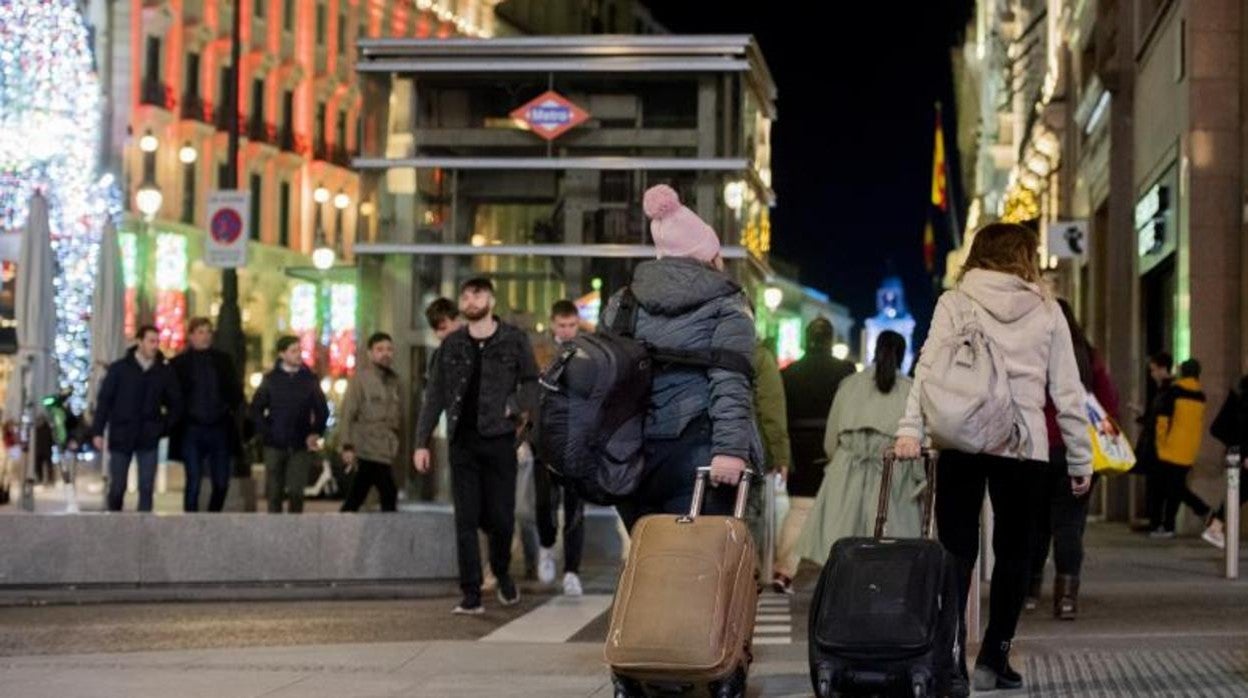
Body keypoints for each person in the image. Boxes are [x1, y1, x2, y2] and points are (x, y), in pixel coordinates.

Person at [894, 222, 1092, 693]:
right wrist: (1080, 459)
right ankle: (994, 657)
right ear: (1025, 255)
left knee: (956, 551)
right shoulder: (1046, 308)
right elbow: (1066, 390)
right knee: (1015, 553)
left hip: (961, 436)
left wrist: (909, 429)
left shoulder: (955, 300)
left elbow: (926, 369)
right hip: (1023, 445)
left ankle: (951, 661)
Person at [600, 184, 760, 532]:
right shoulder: (727, 303)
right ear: (706, 253)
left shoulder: (622, 303)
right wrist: (731, 450)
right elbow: (730, 378)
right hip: (702, 456)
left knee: (651, 566)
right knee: (696, 567)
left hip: (633, 458)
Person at [413, 278, 539, 615]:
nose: (471, 300)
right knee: (465, 519)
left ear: (491, 300)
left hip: (499, 439)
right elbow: (435, 395)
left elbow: (531, 382)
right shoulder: (451, 344)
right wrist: (421, 442)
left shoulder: (514, 339)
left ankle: (501, 572)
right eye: (466, 295)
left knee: (501, 517)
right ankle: (470, 593)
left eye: (478, 294)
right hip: (462, 443)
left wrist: (513, 406)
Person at [1026, 299, 1119, 620]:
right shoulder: (1087, 356)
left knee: (1036, 524)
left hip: (1038, 449)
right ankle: (1066, 598)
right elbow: (1108, 402)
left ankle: (1030, 590)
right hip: (1076, 449)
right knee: (1069, 526)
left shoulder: (1034, 353)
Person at [797, 331, 920, 563]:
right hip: (892, 476)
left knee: (842, 549)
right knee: (890, 553)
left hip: (846, 471)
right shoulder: (910, 390)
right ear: (902, 355)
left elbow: (830, 441)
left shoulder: (849, 384)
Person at [773, 317, 855, 594]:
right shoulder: (845, 370)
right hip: (835, 446)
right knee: (838, 511)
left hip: (799, 446)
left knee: (798, 511)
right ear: (830, 340)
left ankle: (784, 572)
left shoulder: (790, 373)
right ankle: (838, 573)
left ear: (805, 339)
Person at [91, 325, 184, 512]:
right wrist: (98, 431)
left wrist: (163, 427)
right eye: (151, 341)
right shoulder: (120, 369)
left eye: (157, 342)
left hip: (149, 435)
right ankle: (115, 520)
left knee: (147, 487)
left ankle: (144, 530)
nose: (155, 346)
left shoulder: (163, 371)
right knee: (117, 487)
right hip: (122, 433)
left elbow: (176, 402)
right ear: (139, 342)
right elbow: (105, 401)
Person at [531, 299, 588, 596]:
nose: (567, 331)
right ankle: (546, 546)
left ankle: (572, 571)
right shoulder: (539, 351)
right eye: (562, 325)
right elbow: (530, 391)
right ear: (553, 324)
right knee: (544, 503)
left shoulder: (589, 353)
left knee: (575, 508)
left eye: (572, 325)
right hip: (545, 439)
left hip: (577, 441)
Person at [169, 317, 243, 512]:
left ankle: (212, 518)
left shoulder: (223, 361)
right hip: (191, 428)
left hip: (219, 427)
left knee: (221, 482)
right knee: (193, 480)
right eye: (200, 332)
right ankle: (191, 523)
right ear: (191, 336)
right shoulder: (179, 364)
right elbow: (172, 396)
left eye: (208, 332)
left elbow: (235, 392)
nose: (205, 336)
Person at [249, 336, 329, 514]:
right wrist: (266, 432)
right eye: (293, 351)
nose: (298, 354)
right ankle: (275, 529)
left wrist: (315, 432)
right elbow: (256, 409)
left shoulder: (309, 379)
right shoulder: (271, 380)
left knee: (296, 491)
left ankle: (295, 529)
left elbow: (322, 410)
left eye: (299, 350)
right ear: (282, 354)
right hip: (274, 443)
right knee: (274, 492)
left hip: (301, 443)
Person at [339, 332, 403, 512]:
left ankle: (340, 525)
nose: (386, 353)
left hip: (386, 447)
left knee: (358, 495)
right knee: (388, 492)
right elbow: (348, 414)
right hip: (366, 446)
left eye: (389, 349)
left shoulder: (395, 381)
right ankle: (388, 533)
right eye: (380, 349)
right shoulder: (360, 380)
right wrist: (347, 446)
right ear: (370, 353)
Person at [1146, 359, 1209, 538]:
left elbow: (1163, 421)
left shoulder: (1174, 391)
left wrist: (1160, 444)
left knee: (1168, 489)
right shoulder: (1201, 395)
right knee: (1176, 488)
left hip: (1169, 449)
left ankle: (1170, 524)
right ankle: (1170, 525)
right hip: (1189, 450)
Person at [747, 339, 790, 586]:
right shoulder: (759, 356)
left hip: (700, 452)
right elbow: (770, 409)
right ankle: (747, 578)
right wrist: (779, 454)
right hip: (749, 451)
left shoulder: (697, 342)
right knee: (750, 518)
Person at [1201, 371, 1248, 549]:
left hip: (1236, 454)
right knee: (1238, 492)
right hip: (1242, 456)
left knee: (1238, 492)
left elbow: (1219, 428)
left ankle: (1215, 526)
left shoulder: (1239, 393)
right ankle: (1215, 526)